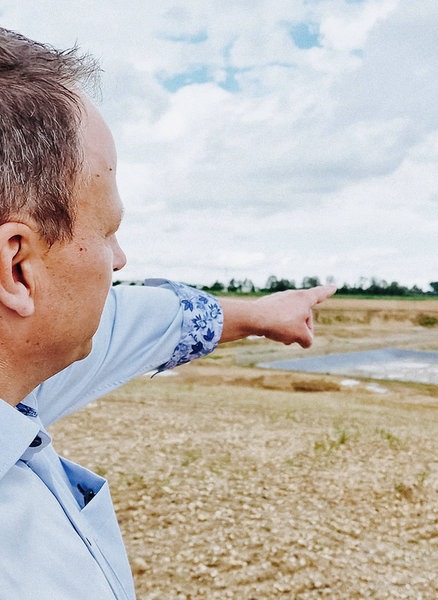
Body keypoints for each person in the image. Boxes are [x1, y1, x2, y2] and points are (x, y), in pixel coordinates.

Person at [0, 27, 336, 599]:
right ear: (16, 267)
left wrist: (257, 315)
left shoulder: (18, 382)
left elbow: (140, 322)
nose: (120, 260)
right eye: (107, 232)